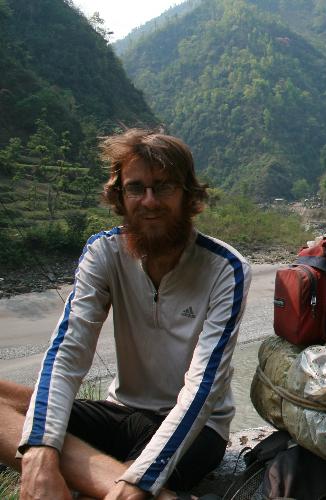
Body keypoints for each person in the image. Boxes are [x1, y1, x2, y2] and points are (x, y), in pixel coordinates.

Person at [0, 129, 251, 499]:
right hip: (121, 412)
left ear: (188, 195)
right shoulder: (104, 253)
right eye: (136, 188)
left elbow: (202, 390)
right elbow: (68, 353)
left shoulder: (225, 269)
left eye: (163, 187)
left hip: (196, 429)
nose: (149, 201)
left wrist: (138, 482)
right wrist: (39, 454)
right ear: (119, 196)